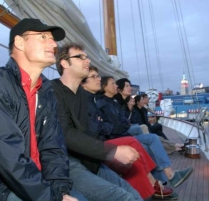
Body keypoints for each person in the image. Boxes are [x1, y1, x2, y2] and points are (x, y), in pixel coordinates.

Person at [0, 18, 83, 201]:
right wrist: (52, 198)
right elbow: (7, 159)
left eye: (53, 39)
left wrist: (60, 191)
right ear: (19, 43)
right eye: (43, 37)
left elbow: (53, 147)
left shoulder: (45, 91)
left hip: (38, 182)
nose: (53, 44)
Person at [51, 43, 144, 201]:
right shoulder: (53, 91)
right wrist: (112, 152)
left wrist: (109, 158)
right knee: (124, 197)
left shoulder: (82, 94)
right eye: (80, 57)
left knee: (133, 194)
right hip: (66, 163)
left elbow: (91, 131)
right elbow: (65, 133)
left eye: (86, 57)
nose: (87, 61)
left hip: (89, 160)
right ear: (65, 63)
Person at [81, 66, 174, 200]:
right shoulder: (97, 102)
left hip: (111, 136)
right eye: (95, 77)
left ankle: (156, 184)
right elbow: (107, 126)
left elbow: (117, 123)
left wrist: (104, 124)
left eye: (99, 77)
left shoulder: (101, 101)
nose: (98, 80)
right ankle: (156, 183)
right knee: (137, 143)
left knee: (145, 141)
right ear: (83, 83)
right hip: (102, 141)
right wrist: (104, 124)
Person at [96, 76, 193, 190]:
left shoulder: (113, 102)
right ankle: (162, 184)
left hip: (123, 134)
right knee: (146, 148)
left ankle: (168, 174)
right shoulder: (103, 103)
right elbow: (117, 126)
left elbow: (123, 122)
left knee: (153, 138)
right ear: (104, 87)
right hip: (116, 138)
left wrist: (124, 124)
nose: (116, 86)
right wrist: (124, 124)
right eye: (113, 83)